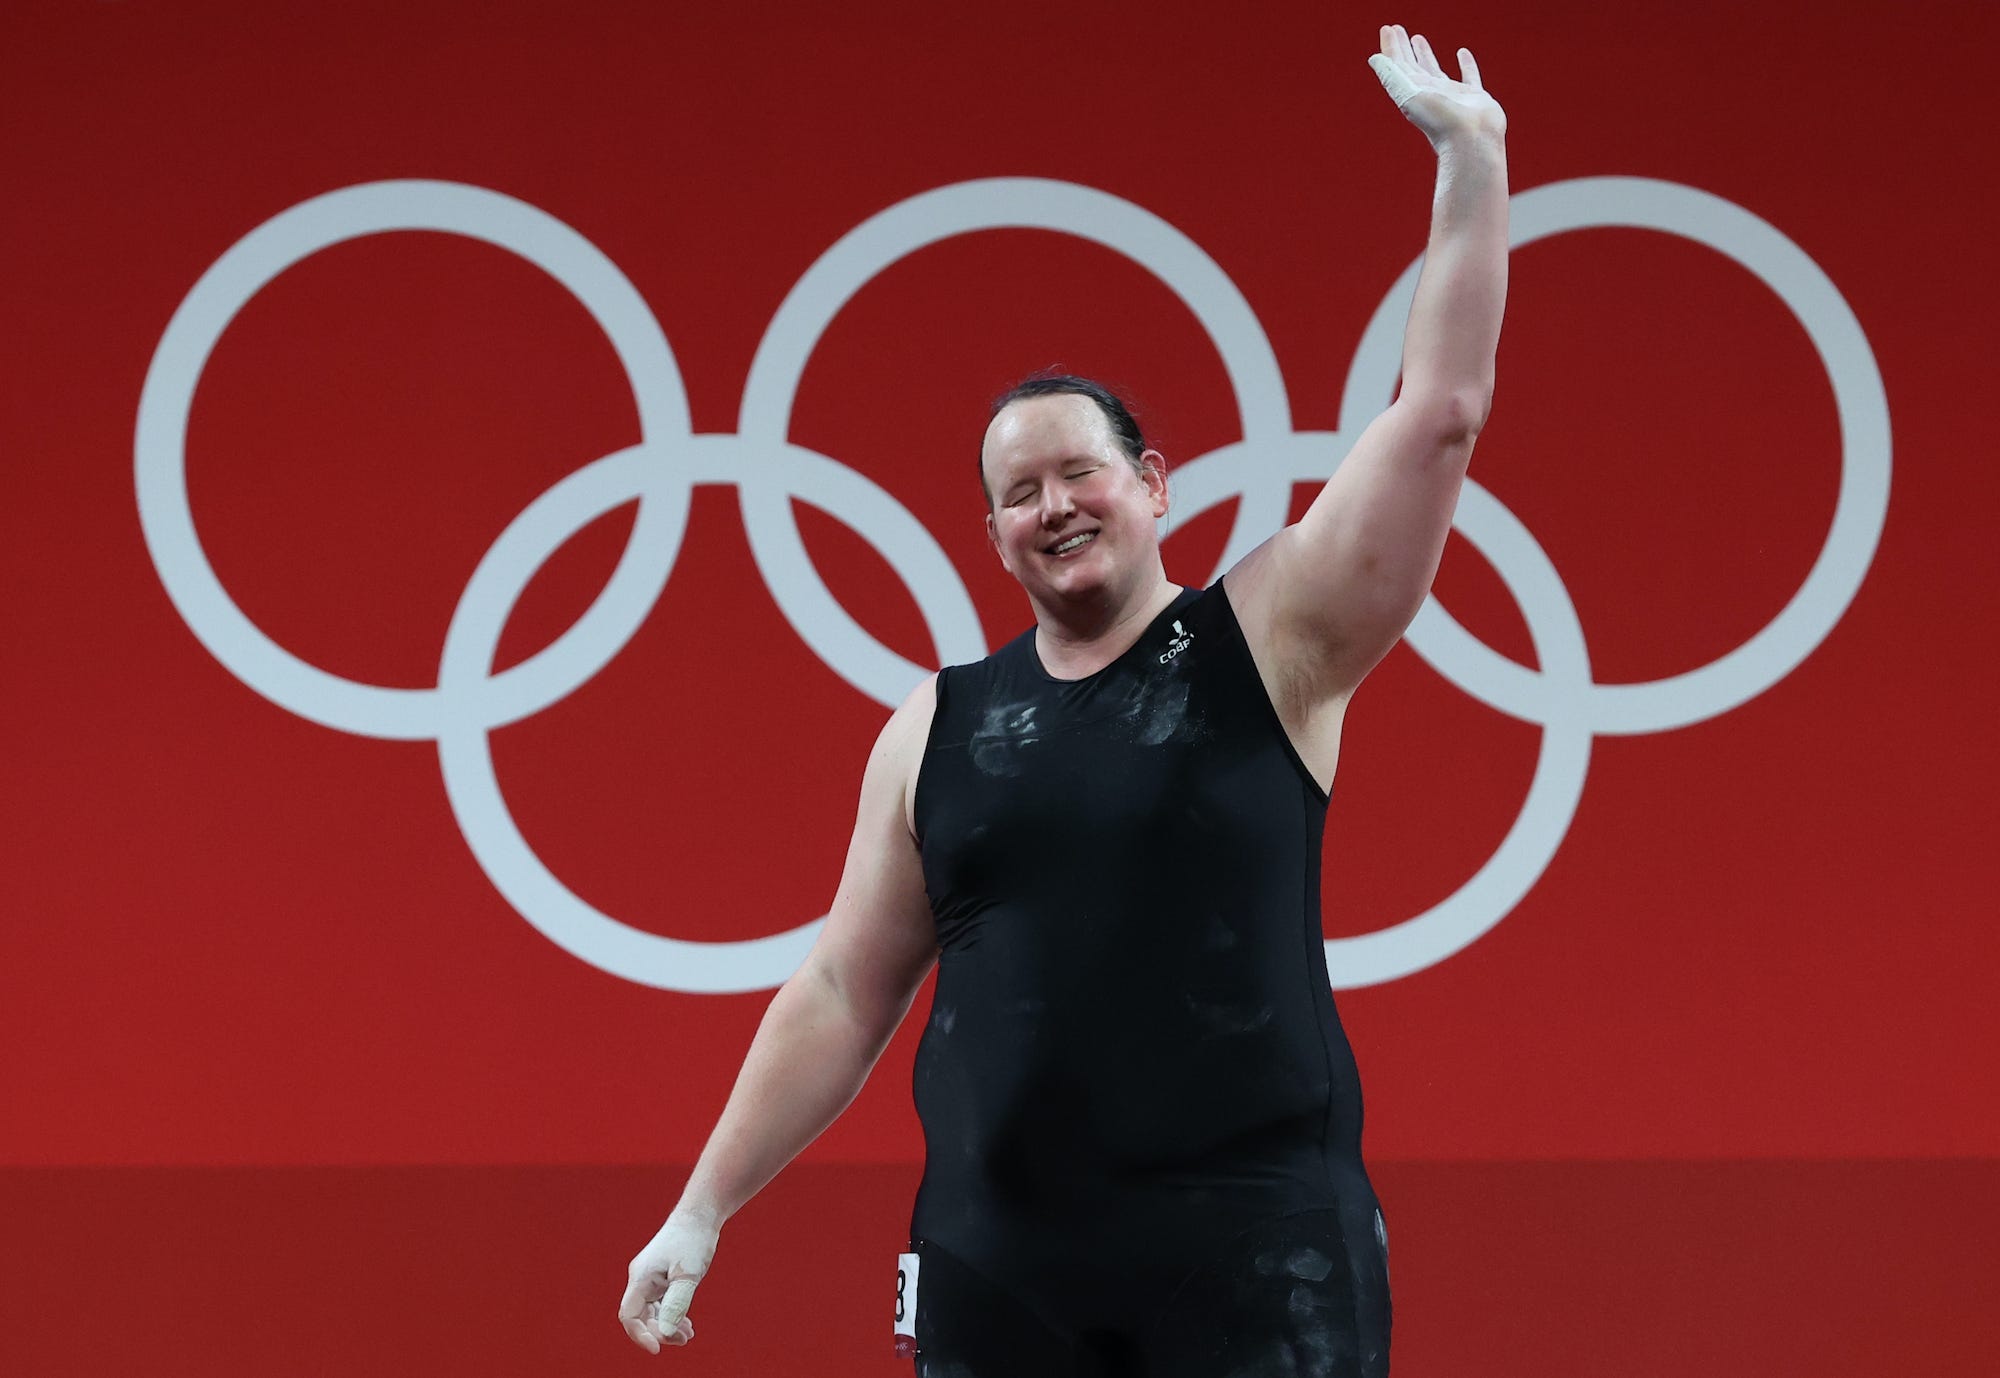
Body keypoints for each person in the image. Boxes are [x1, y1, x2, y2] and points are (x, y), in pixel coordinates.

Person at [618, 23, 1507, 1377]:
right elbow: (845, 988)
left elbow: (1438, 411)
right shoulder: (935, 727)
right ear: (993, 537)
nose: (1054, 507)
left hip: (1254, 1253)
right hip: (997, 1265)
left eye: (1080, 473)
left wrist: (1473, 165)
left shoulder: (1273, 640)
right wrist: (701, 1205)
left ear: (1155, 483)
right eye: (1019, 493)